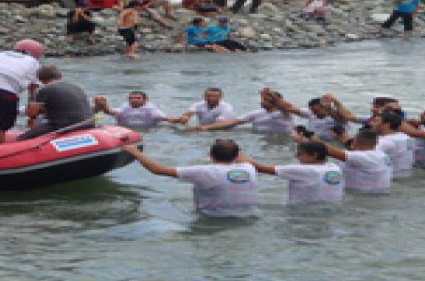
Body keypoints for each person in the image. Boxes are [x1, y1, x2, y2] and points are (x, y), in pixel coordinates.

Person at [122, 139, 258, 217]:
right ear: (236, 156)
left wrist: (135, 153)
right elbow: (240, 158)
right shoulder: (249, 168)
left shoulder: (203, 171)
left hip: (212, 218)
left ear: (210, 155)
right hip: (246, 215)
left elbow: (157, 170)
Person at [243, 142, 344, 205]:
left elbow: (260, 168)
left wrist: (236, 156)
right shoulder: (334, 167)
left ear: (314, 155)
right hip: (329, 208)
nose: (296, 156)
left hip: (302, 212)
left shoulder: (303, 171)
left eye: (299, 154)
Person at [299, 128, 392, 194]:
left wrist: (304, 142)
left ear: (354, 142)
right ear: (376, 143)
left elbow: (327, 150)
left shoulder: (360, 157)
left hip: (360, 197)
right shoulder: (381, 154)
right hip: (378, 193)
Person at [17, 65, 93, 140]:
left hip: (65, 125)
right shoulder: (76, 87)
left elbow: (32, 112)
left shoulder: (44, 90)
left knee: (21, 139)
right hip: (88, 122)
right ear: (60, 76)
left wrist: (32, 116)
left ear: (39, 79)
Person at [194, 88, 292, 133]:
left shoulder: (284, 112)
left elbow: (286, 106)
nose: (261, 101)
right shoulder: (256, 113)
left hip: (282, 139)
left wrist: (271, 95)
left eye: (264, 99)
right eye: (262, 99)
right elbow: (233, 122)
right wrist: (204, 128)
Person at [272, 94, 349, 141]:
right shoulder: (311, 113)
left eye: (316, 111)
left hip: (334, 144)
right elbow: (288, 107)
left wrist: (335, 101)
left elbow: (345, 117)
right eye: (312, 111)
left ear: (326, 108)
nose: (313, 113)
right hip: (315, 142)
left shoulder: (338, 117)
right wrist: (273, 96)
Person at [94, 91, 175, 128]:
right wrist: (103, 104)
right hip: (125, 132)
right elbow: (108, 111)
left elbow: (168, 118)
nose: (133, 100)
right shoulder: (124, 109)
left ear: (145, 100)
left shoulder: (152, 111)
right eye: (131, 98)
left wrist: (180, 119)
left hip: (148, 133)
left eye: (138, 98)